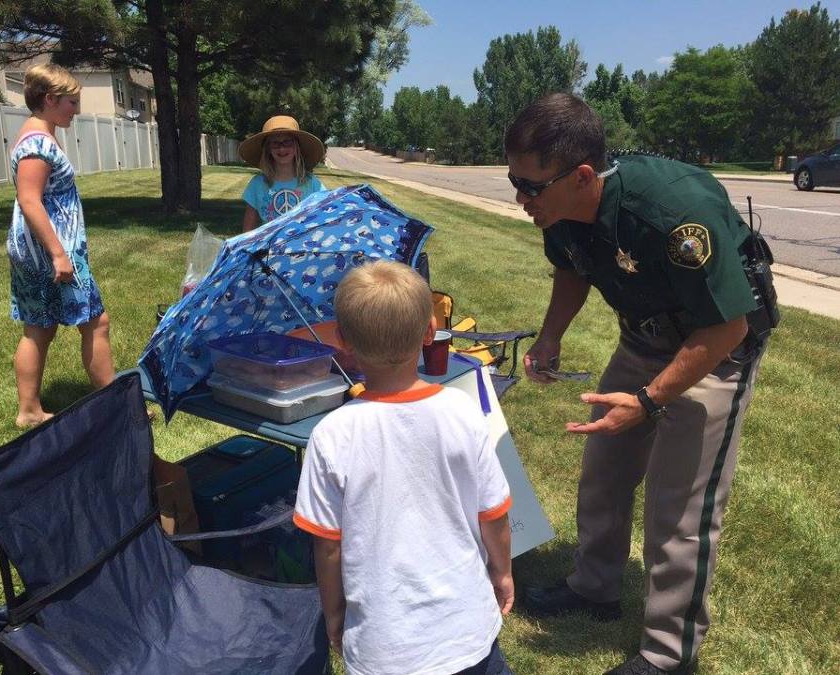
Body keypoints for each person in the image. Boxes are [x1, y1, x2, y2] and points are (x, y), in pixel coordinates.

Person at [505, 93, 776, 675]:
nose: (519, 198)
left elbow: (727, 324)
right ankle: (595, 588)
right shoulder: (561, 210)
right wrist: (550, 338)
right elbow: (572, 268)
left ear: (581, 176)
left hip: (714, 349)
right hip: (642, 340)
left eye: (529, 186)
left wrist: (651, 400)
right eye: (513, 181)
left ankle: (668, 652)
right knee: (604, 469)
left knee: (680, 506)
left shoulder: (674, 212)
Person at [293, 260, 515, 675]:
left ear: (342, 341)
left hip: (384, 645)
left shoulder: (331, 435)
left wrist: (334, 612)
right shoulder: (462, 412)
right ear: (431, 332)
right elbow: (494, 514)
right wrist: (502, 571)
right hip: (468, 633)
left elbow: (327, 545)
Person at [8, 64, 115, 427]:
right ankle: (115, 404)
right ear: (50, 99)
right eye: (72, 101)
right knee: (96, 322)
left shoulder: (38, 134)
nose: (77, 109)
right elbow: (30, 200)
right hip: (49, 253)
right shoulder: (38, 143)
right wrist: (58, 253)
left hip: (39, 251)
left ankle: (29, 410)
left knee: (39, 326)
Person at [239, 115, 325, 231]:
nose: (281, 149)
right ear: (268, 148)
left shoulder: (312, 184)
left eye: (287, 142)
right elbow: (247, 232)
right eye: (275, 143)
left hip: (302, 247)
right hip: (269, 248)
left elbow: (325, 218)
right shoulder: (257, 184)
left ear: (296, 147)